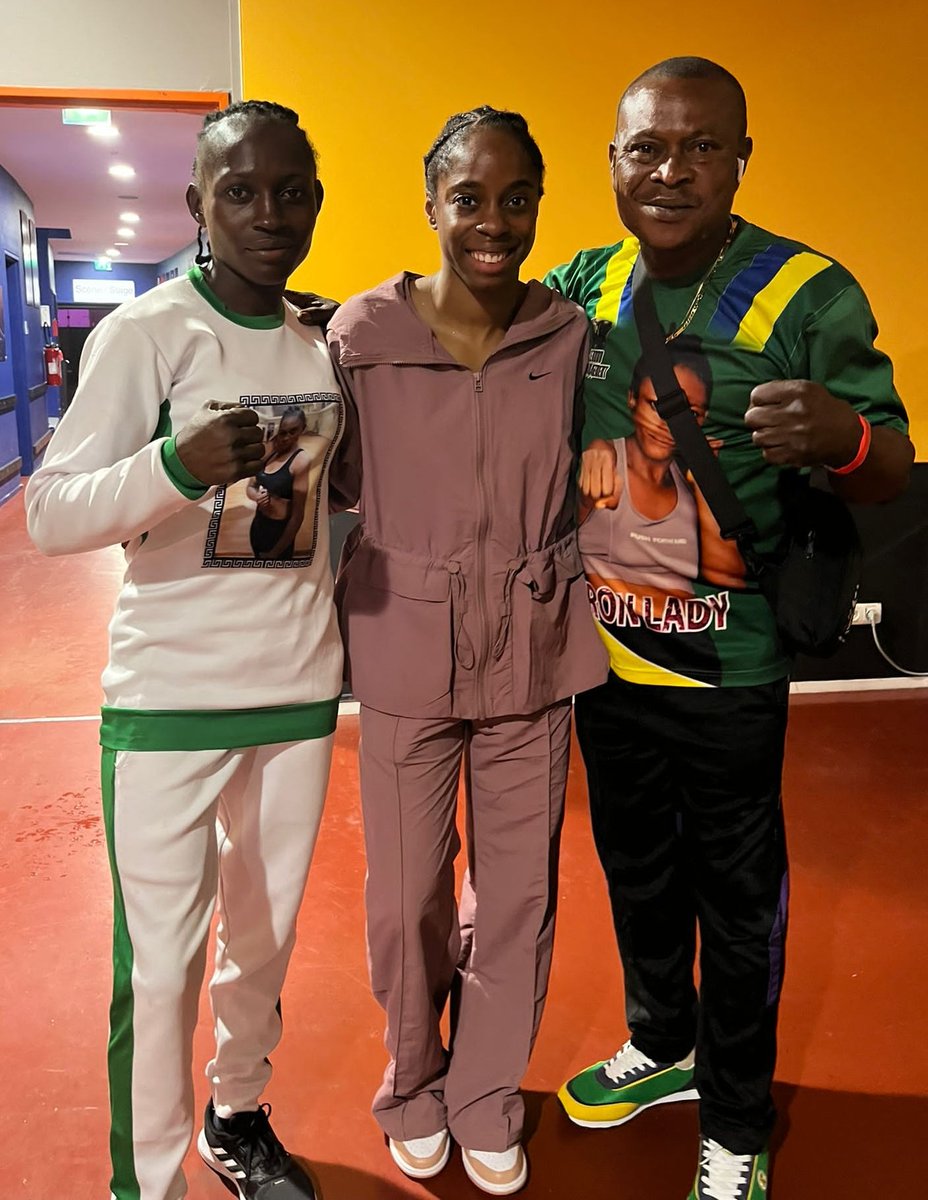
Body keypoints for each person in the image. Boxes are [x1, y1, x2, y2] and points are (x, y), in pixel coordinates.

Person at [546, 57, 912, 1200]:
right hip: (602, 659)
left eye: (701, 146)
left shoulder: (809, 292)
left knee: (737, 899)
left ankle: (740, 1124)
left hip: (730, 672)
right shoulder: (580, 284)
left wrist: (843, 436)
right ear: (611, 161)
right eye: (646, 147)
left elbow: (888, 468)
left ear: (740, 160)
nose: (670, 170)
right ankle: (662, 1044)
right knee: (635, 872)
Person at [26, 100, 344, 1200]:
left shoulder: (317, 340)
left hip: (297, 692)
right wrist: (172, 461)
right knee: (158, 967)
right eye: (241, 190)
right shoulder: (146, 333)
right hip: (167, 699)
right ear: (197, 204)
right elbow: (51, 513)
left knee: (260, 948)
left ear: (315, 200)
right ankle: (144, 1183)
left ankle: (238, 1116)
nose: (269, 211)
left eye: (290, 189)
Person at [326, 105, 607, 1196]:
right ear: (430, 203)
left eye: (515, 198)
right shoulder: (361, 336)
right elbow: (319, 479)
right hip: (403, 639)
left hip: (533, 650)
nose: (492, 222)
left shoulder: (568, 333)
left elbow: (614, 444)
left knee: (520, 893)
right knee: (407, 898)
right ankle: (412, 1081)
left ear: (538, 203)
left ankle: (487, 1091)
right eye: (468, 198)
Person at [247, 405, 312, 560]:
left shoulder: (300, 461)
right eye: (283, 432)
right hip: (258, 526)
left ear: (302, 429)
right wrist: (257, 496)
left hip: (279, 534)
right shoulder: (270, 450)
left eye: (293, 431)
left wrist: (275, 552)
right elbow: (250, 486)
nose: (287, 437)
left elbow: (297, 516)